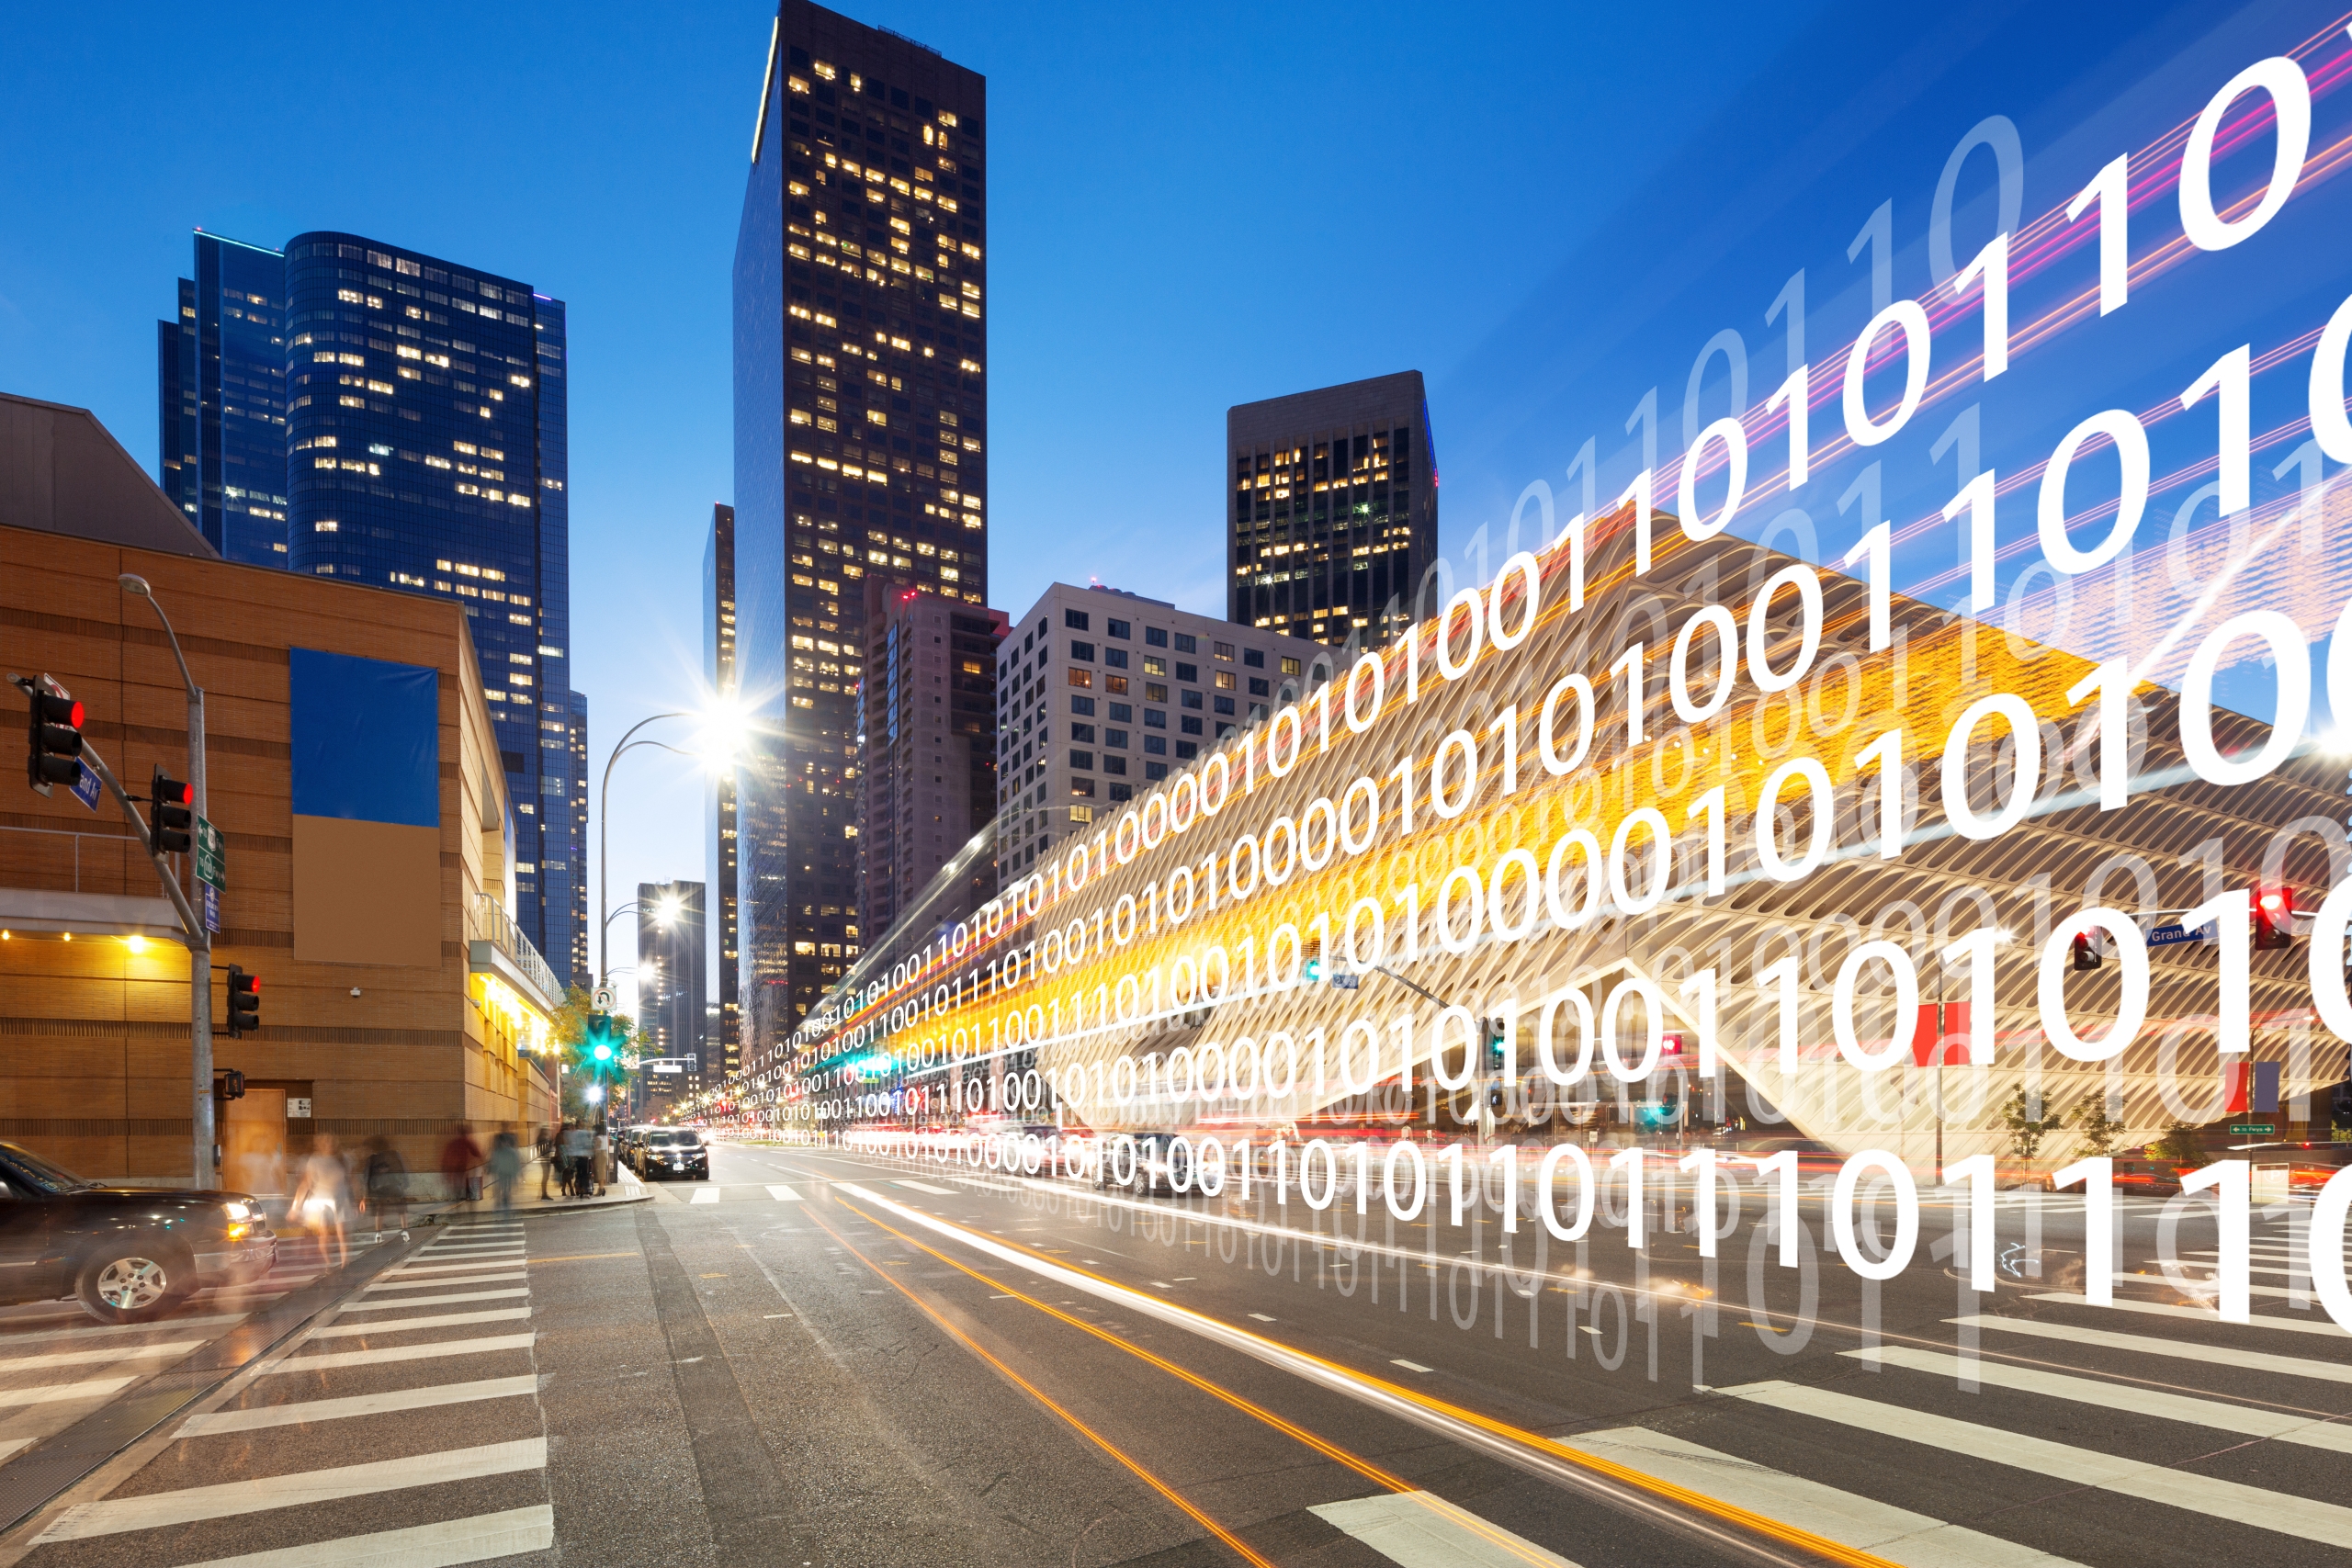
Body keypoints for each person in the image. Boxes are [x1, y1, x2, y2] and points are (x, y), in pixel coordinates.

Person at [288, 1134, 354, 1268]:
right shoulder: (314, 1161)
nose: (328, 1144)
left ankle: (345, 1263)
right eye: (325, 1142)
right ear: (319, 1145)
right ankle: (328, 1263)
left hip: (340, 1198)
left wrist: (360, 1198)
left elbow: (353, 1180)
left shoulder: (343, 1159)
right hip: (320, 1201)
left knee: (342, 1234)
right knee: (324, 1235)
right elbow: (305, 1184)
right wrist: (295, 1208)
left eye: (330, 1141)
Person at [362, 1135, 409, 1238]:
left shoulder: (371, 1158)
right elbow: (402, 1169)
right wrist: (405, 1183)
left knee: (379, 1209)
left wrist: (365, 1195)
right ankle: (405, 1230)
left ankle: (378, 1233)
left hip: (378, 1188)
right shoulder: (395, 1155)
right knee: (401, 1207)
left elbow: (366, 1176)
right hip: (394, 1185)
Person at [440, 1122, 482, 1214]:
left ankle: (458, 1205)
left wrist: (444, 1169)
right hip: (464, 1169)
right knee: (467, 1187)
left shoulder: (452, 1143)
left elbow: (446, 1156)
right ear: (465, 1133)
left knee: (457, 1187)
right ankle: (469, 1205)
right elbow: (477, 1153)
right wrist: (481, 1160)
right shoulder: (467, 1141)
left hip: (454, 1169)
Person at [488, 1130, 523, 1218]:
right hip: (504, 1172)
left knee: (505, 1186)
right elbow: (516, 1162)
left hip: (504, 1172)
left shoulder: (502, 1151)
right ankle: (505, 1198)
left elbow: (494, 1161)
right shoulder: (508, 1151)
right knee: (505, 1185)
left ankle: (505, 1197)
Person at [561, 1122, 594, 1199]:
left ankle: (577, 1187)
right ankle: (582, 1188)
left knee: (578, 1173)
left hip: (576, 1156)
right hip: (583, 1156)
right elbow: (588, 1145)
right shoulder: (582, 1134)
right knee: (584, 1173)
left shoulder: (571, 1134)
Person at [537, 1124, 559, 1200]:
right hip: (545, 1160)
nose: (548, 1131)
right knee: (545, 1177)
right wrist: (550, 1147)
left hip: (546, 1159)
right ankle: (544, 1194)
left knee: (546, 1177)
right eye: (546, 1130)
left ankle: (544, 1193)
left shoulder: (544, 1138)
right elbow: (544, 1150)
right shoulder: (542, 1139)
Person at [592, 1124, 611, 1196]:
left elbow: (597, 1148)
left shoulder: (598, 1138)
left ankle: (601, 1188)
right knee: (602, 1171)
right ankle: (601, 1188)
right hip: (605, 1154)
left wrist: (592, 1152)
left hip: (600, 1154)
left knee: (600, 1172)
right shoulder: (605, 1137)